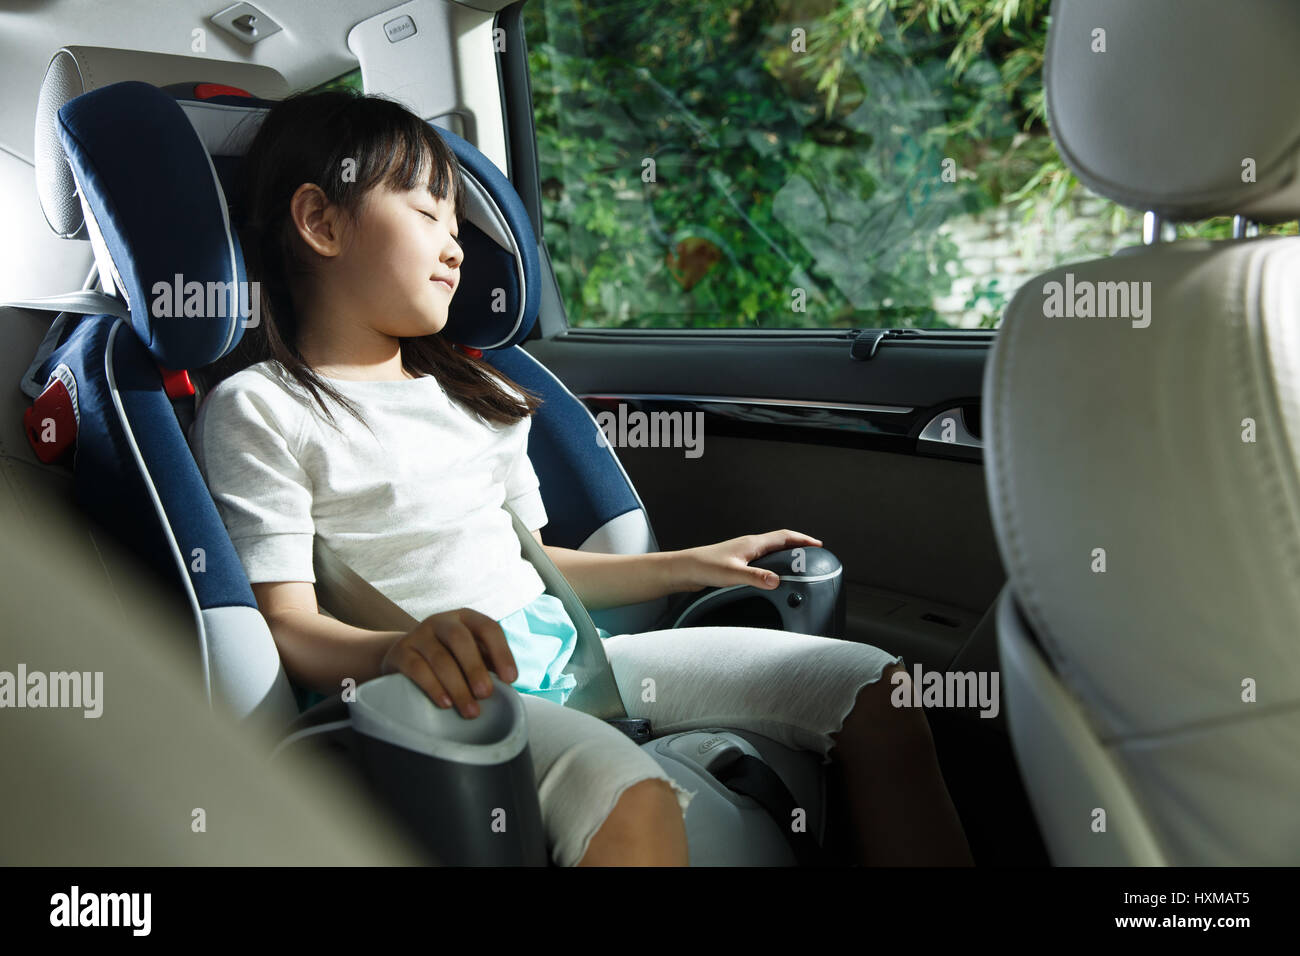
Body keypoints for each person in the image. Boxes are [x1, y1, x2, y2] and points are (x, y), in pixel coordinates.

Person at [193, 90, 973, 867]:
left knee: (878, 691)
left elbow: (536, 565)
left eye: (459, 226)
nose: (456, 247)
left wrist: (694, 564)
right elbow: (288, 626)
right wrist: (398, 652)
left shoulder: (481, 394)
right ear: (321, 222)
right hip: (451, 700)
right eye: (428, 214)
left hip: (576, 655)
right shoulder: (262, 410)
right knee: (637, 803)